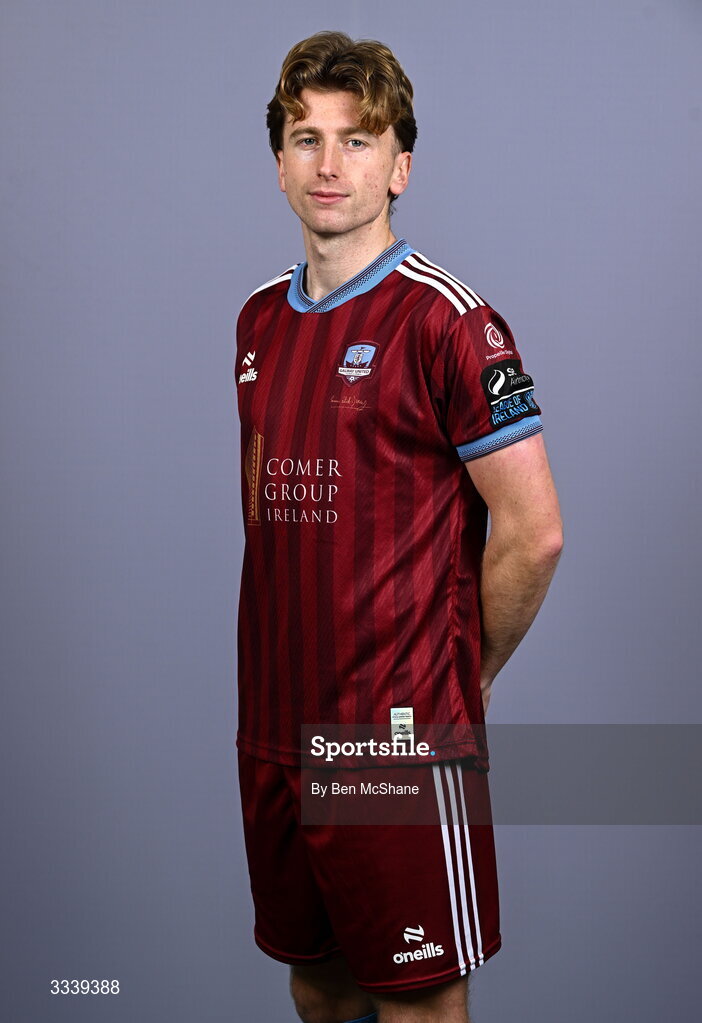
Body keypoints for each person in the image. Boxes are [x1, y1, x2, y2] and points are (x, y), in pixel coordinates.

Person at [234, 30, 563, 1023]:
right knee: (318, 986)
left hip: (392, 741)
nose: (329, 164)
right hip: (276, 728)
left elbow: (534, 531)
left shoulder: (449, 321)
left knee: (418, 1003)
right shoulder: (257, 320)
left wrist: (469, 670)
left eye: (358, 139)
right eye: (306, 139)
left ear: (401, 166)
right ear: (279, 163)